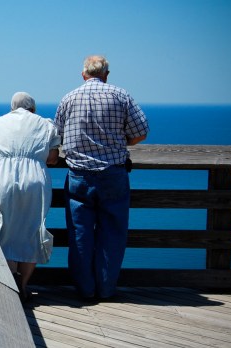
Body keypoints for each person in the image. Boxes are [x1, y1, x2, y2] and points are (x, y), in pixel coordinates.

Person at [54, 55, 149, 300]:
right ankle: (106, 291)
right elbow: (141, 132)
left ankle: (85, 291)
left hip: (79, 176)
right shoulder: (121, 95)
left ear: (83, 74)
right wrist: (120, 142)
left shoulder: (68, 98)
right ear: (106, 74)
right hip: (113, 174)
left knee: (80, 234)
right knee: (113, 234)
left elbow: (58, 137)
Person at [0, 92, 61, 302]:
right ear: (33, 108)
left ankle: (9, 284)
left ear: (12, 107)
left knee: (3, 229)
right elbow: (52, 159)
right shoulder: (46, 124)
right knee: (33, 230)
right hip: (35, 179)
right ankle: (23, 285)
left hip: (1, 179)